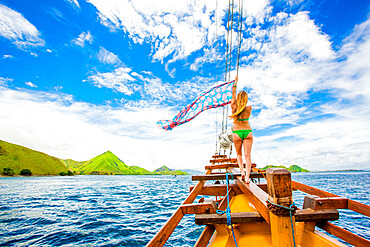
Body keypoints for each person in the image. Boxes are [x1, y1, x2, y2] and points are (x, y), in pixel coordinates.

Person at [229, 75, 253, 183]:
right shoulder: (249, 108)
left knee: (239, 154)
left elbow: (233, 93)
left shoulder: (234, 106)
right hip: (248, 132)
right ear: (246, 99)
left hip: (237, 132)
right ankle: (247, 177)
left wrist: (235, 82)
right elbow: (243, 105)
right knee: (248, 155)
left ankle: (242, 172)